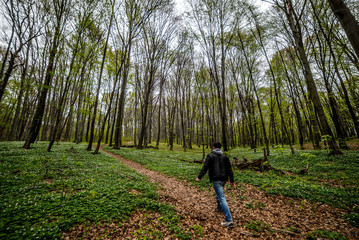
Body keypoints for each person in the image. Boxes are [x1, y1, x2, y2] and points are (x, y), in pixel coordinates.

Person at [196, 142, 235, 228]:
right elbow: (229, 169)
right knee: (219, 194)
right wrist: (231, 180)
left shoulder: (210, 156)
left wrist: (199, 177)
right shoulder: (225, 157)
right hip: (224, 179)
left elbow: (205, 167)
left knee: (221, 197)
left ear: (213, 147)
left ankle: (229, 220)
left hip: (216, 179)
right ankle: (219, 208)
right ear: (220, 148)